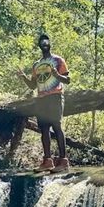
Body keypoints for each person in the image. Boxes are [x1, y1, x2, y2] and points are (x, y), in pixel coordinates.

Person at [17, 34, 70, 172]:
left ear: (50, 43)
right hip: (41, 99)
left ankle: (63, 161)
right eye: (42, 42)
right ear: (39, 45)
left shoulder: (58, 60)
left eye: (46, 41)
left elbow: (67, 80)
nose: (44, 44)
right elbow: (33, 86)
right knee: (44, 129)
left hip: (55, 97)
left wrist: (57, 75)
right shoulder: (36, 65)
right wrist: (23, 77)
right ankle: (48, 161)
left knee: (57, 126)